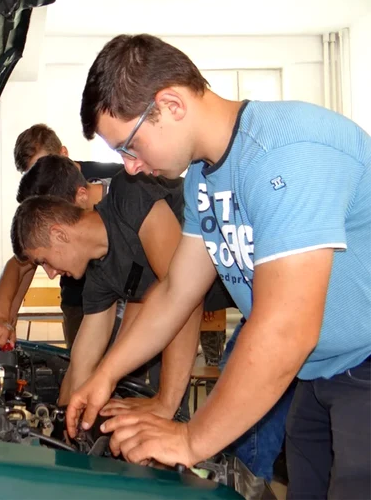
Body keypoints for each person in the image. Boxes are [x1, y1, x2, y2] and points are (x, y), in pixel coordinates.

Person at [65, 33, 371, 498]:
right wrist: (104, 376)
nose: (128, 167)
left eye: (129, 145)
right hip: (317, 374)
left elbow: (286, 328)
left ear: (170, 105)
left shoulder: (285, 154)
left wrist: (190, 439)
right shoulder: (205, 179)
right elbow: (176, 291)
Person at [12, 163, 205, 416]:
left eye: (44, 261)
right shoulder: (101, 277)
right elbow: (82, 363)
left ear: (58, 234)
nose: (50, 273)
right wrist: (62, 417)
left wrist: (165, 403)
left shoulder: (129, 190)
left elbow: (185, 294)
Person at [0, 124, 122, 349]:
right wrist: (5, 317)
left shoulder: (118, 184)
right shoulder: (39, 200)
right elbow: (22, 264)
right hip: (81, 303)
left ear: (63, 155)